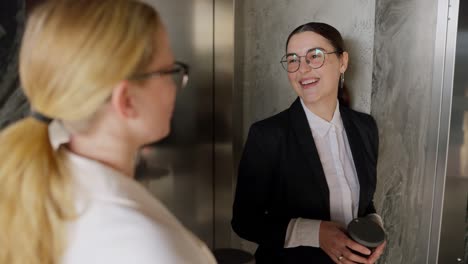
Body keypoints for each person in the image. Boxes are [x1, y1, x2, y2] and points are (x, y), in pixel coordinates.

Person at [0, 1, 217, 264]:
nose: (176, 85)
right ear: (125, 100)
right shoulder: (146, 248)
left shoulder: (44, 188)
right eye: (169, 71)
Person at [231, 22, 387, 264]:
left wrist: (375, 228)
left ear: (343, 61)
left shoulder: (365, 127)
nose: (302, 68)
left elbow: (364, 202)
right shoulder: (268, 135)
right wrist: (316, 233)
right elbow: (244, 222)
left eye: (315, 56)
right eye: (293, 59)